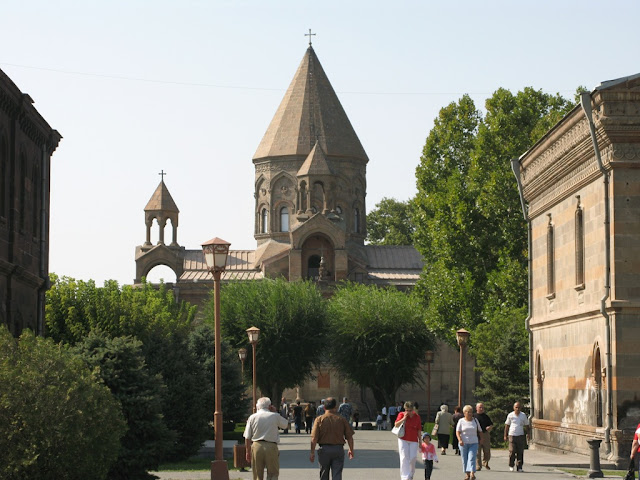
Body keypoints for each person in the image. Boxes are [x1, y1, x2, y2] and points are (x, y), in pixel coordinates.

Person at [244, 397, 290, 480]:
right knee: (273, 474)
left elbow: (247, 436)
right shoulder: (275, 416)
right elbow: (285, 425)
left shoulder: (252, 417)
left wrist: (247, 451)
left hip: (256, 446)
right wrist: (276, 412)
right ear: (270, 406)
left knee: (257, 474)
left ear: (258, 406)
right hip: (271, 446)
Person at [310, 397, 355, 480]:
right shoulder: (342, 419)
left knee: (324, 474)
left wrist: (312, 452)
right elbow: (349, 437)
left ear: (324, 407)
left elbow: (314, 438)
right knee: (337, 474)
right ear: (336, 407)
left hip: (324, 450)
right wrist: (351, 449)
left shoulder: (319, 419)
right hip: (338, 449)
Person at [395, 401, 422, 480]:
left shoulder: (417, 417)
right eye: (406, 410)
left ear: (413, 410)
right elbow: (396, 424)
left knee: (413, 458)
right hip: (403, 438)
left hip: (413, 439)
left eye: (410, 410)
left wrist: (420, 441)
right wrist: (404, 418)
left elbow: (419, 430)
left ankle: (411, 474)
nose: (408, 412)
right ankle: (404, 476)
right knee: (403, 457)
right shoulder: (401, 414)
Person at [455, 404, 481, 480]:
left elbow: (480, 431)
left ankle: (472, 473)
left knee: (472, 458)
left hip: (474, 442)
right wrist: (460, 440)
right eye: (468, 412)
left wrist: (481, 439)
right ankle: (467, 474)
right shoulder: (461, 421)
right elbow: (457, 432)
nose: (470, 413)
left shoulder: (475, 420)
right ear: (464, 413)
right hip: (463, 443)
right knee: (465, 459)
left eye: (471, 412)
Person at [504, 401, 530, 472]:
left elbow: (527, 425)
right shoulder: (510, 415)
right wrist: (505, 435)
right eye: (516, 407)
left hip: (520, 435)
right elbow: (507, 426)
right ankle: (511, 465)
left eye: (519, 407)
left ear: (520, 408)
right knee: (512, 451)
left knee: (520, 452)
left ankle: (519, 467)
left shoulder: (523, 415)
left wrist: (528, 434)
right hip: (512, 435)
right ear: (513, 408)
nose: (517, 409)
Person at [474, 402, 493, 470]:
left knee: (487, 450)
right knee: (477, 452)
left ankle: (485, 461)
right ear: (476, 408)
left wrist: (489, 427)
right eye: (480, 407)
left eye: (482, 407)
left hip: (485, 434)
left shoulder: (486, 416)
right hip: (476, 435)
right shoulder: (474, 416)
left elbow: (491, 424)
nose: (481, 409)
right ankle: (478, 465)